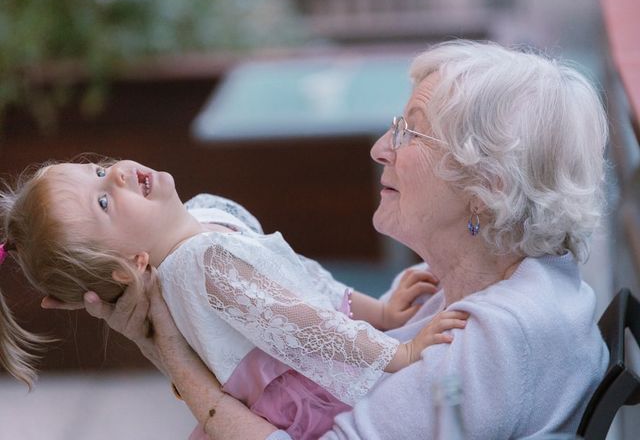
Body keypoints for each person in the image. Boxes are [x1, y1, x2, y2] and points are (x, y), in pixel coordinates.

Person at [48, 39, 611, 440]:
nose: (379, 149)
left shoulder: (494, 340)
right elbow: (312, 319)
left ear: (484, 188)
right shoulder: (466, 284)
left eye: (409, 131)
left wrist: (168, 351)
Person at [0, 160, 468, 440]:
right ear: (131, 264)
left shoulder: (209, 215)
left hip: (328, 352)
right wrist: (398, 352)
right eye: (103, 201)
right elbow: (304, 325)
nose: (118, 175)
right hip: (313, 394)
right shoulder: (199, 264)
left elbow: (301, 280)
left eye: (99, 171)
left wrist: (380, 312)